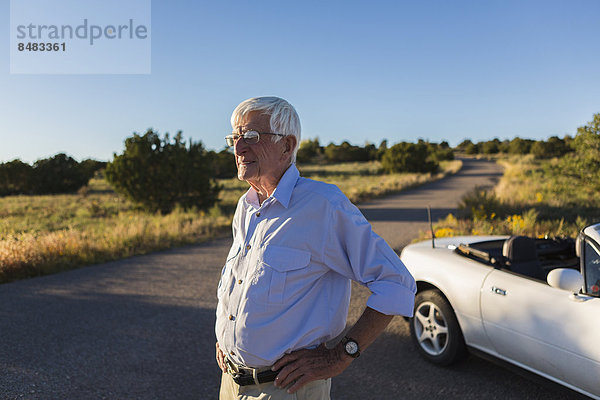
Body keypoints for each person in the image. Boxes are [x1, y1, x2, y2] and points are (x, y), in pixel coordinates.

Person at [215, 96, 416, 400]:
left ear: (287, 145)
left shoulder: (323, 205)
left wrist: (341, 355)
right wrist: (226, 341)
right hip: (231, 382)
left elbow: (396, 283)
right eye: (235, 137)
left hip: (285, 390)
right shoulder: (246, 207)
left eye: (252, 137)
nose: (239, 148)